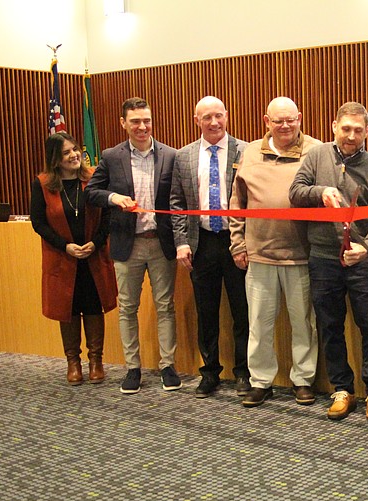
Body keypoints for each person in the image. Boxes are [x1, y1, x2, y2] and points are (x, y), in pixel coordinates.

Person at [289, 101, 368, 423]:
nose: (351, 135)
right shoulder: (316, 156)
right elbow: (295, 192)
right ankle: (341, 389)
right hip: (323, 259)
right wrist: (321, 192)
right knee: (330, 326)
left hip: (361, 261)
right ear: (334, 126)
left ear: (367, 132)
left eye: (358, 130)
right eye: (346, 128)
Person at [229, 97, 321, 407]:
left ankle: (303, 380)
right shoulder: (251, 152)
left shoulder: (316, 151)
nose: (284, 126)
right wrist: (238, 243)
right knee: (259, 324)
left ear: (300, 118)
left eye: (290, 120)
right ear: (266, 121)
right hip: (259, 254)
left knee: (304, 324)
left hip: (302, 255)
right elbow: (237, 202)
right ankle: (261, 382)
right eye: (277, 120)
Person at [85, 97, 181, 394]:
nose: (142, 126)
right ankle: (133, 368)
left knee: (166, 306)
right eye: (136, 121)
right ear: (123, 123)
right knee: (127, 308)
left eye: (147, 120)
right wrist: (114, 198)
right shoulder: (111, 156)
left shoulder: (170, 155)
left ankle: (168, 366)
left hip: (161, 243)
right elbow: (92, 191)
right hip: (128, 245)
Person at [170, 96, 250, 399]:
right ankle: (210, 372)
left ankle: (243, 372)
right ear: (196, 120)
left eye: (219, 116)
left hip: (236, 243)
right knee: (207, 313)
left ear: (227, 116)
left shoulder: (246, 151)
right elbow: (177, 203)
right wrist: (181, 242)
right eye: (207, 118)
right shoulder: (184, 156)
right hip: (200, 244)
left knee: (242, 311)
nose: (214, 122)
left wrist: (244, 242)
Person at [31, 133, 118, 385]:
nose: (74, 155)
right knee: (67, 310)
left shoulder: (93, 178)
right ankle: (73, 362)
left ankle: (96, 361)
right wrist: (66, 246)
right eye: (67, 152)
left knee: (93, 306)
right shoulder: (43, 183)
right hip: (62, 258)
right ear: (55, 159)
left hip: (93, 256)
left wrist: (96, 242)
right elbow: (38, 223)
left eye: (75, 149)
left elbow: (107, 216)